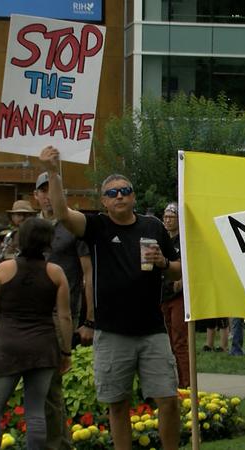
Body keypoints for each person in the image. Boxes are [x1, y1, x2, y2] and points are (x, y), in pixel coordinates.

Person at [39, 146, 182, 450]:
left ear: (133, 197)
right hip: (112, 333)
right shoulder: (97, 226)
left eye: (125, 191)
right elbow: (62, 213)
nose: (120, 196)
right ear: (103, 201)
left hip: (152, 331)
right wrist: (53, 171)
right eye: (112, 193)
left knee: (169, 400)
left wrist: (163, 263)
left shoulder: (153, 226)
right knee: (117, 405)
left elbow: (177, 269)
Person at [0, 218, 72, 450]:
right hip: (43, 347)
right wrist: (66, 352)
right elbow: (65, 317)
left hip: (8, 347)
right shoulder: (56, 273)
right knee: (36, 413)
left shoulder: (4, 269)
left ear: (21, 239)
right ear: (48, 241)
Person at [33, 171, 95, 450]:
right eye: (43, 190)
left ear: (62, 194)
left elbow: (88, 273)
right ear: (36, 195)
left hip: (64, 314)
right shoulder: (31, 228)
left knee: (55, 384)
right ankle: (54, 441)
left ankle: (61, 442)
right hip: (32, 315)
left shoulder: (73, 226)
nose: (48, 196)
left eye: (52, 190)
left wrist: (90, 320)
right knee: (42, 386)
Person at [160, 202, 189, 388]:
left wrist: (182, 280)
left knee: (179, 342)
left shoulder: (184, 241)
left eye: (171, 217)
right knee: (165, 343)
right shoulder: (162, 240)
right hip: (162, 294)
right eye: (165, 216)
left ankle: (186, 385)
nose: (168, 220)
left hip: (178, 296)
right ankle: (170, 383)